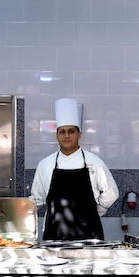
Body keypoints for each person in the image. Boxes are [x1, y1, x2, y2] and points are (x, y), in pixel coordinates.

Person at [31, 98, 119, 241]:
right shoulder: (45, 164)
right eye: (62, 132)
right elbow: (37, 199)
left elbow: (112, 193)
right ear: (57, 135)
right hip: (55, 234)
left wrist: (95, 211)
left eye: (71, 131)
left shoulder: (94, 162)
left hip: (89, 234)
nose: (66, 136)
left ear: (79, 134)